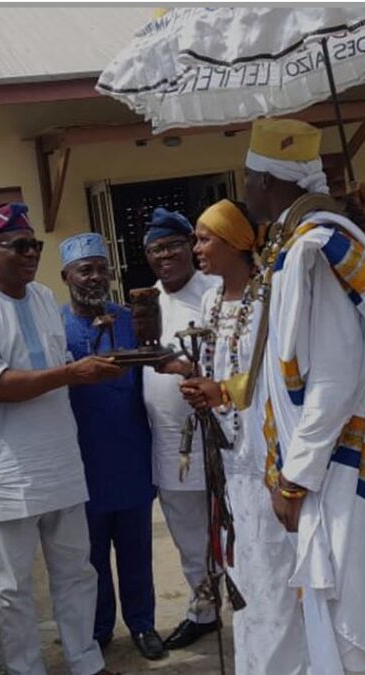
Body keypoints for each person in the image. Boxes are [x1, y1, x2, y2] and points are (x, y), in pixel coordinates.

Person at [184, 118, 365, 674]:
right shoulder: (296, 248)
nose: (244, 190)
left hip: (345, 469)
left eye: (247, 178)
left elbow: (335, 382)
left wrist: (296, 476)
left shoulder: (317, 251)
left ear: (266, 180)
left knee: (359, 625)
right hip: (325, 468)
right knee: (329, 623)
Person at [0, 203, 122, 675]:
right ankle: (26, 669)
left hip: (59, 461)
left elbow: (53, 371)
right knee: (13, 587)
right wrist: (70, 373)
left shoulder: (43, 297)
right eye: (19, 247)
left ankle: (85, 661)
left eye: (34, 246)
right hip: (5, 473)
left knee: (77, 573)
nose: (30, 255)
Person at [177, 199, 308, 674]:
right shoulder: (210, 301)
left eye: (204, 238)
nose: (197, 249)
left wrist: (223, 392)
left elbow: (271, 378)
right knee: (244, 574)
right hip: (228, 459)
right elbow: (217, 364)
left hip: (266, 454)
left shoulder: (268, 297)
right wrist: (198, 385)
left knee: (276, 575)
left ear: (234, 243)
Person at [58, 233, 165, 661]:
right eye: (86, 269)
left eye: (102, 267)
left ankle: (143, 624)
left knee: (137, 550)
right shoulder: (56, 325)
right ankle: (100, 629)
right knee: (91, 558)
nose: (96, 276)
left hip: (131, 454)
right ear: (67, 276)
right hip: (82, 460)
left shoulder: (131, 319)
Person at [138, 208, 220, 649]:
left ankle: (258, 604)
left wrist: (184, 367)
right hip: (171, 444)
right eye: (155, 249)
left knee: (236, 528)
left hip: (221, 436)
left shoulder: (217, 292)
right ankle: (203, 610)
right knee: (189, 536)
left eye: (172, 245)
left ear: (191, 244)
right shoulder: (145, 303)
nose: (164, 255)